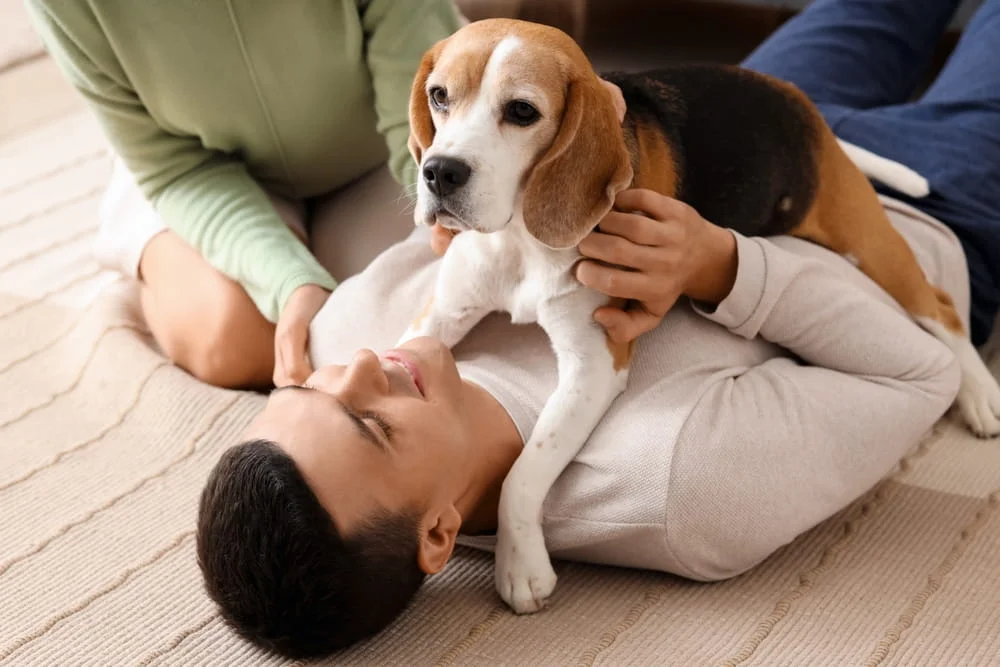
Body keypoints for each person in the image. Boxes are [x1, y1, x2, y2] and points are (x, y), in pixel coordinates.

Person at [196, 0, 1000, 659]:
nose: (360, 367)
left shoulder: (343, 335)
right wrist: (719, 265)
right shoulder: (679, 488)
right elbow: (917, 374)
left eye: (308, 388)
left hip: (741, 107)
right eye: (372, 424)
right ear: (439, 532)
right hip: (914, 217)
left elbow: (541, 164)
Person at [25, 0, 466, 389]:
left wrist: (439, 204)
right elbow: (175, 167)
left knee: (402, 317)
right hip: (193, 166)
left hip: (379, 150)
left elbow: (414, 94)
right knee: (236, 342)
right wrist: (290, 283)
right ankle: (142, 232)